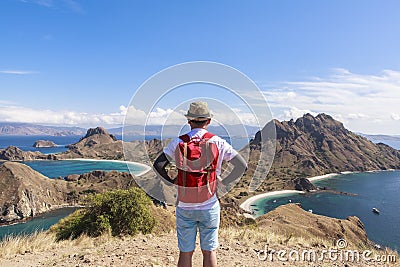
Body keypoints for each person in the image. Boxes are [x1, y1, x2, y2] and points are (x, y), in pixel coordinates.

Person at [153, 101, 247, 267]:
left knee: (185, 252)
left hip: (184, 205)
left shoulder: (178, 142)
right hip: (209, 204)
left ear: (189, 121)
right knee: (209, 251)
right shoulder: (218, 142)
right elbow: (241, 165)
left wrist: (173, 181)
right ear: (208, 121)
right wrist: (223, 183)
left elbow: (158, 165)